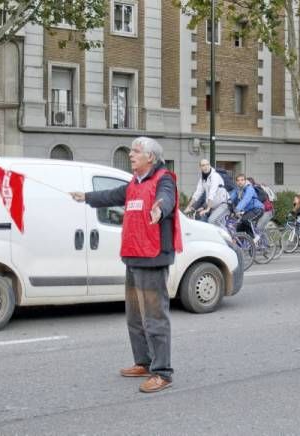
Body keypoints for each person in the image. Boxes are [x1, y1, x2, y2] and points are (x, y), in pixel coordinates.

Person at [70, 137, 182, 394]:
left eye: (136, 151)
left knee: (154, 318)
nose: (131, 154)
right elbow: (111, 195)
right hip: (133, 256)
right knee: (135, 317)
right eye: (131, 150)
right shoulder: (134, 183)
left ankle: (162, 372)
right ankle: (144, 362)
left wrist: (159, 209)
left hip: (153, 258)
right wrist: (85, 196)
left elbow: (167, 198)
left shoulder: (163, 178)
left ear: (150, 158)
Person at [184, 159, 229, 227]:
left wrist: (207, 209)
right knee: (203, 222)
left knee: (211, 220)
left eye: (207, 164)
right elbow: (197, 193)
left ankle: (228, 237)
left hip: (222, 204)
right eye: (203, 165)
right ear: (200, 167)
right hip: (213, 206)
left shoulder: (214, 176)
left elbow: (212, 193)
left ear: (210, 166)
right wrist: (188, 207)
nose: (206, 167)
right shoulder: (203, 179)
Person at [229, 174, 264, 241]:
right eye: (238, 180)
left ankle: (255, 237)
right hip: (248, 211)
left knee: (245, 220)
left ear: (245, 181)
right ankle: (241, 246)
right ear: (236, 182)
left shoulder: (249, 188)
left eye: (242, 180)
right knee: (239, 226)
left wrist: (237, 209)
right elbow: (230, 198)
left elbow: (245, 200)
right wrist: (225, 203)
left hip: (257, 209)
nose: (240, 182)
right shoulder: (237, 190)